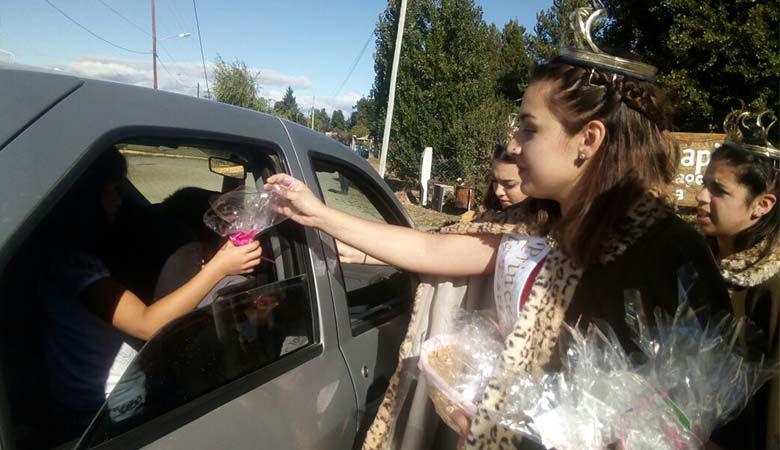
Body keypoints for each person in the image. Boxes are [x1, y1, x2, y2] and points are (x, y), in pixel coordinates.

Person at [264, 7, 732, 445]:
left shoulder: (669, 254)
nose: (514, 145)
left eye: (529, 128)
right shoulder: (551, 231)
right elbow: (431, 250)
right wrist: (318, 213)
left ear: (587, 140)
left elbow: (701, 427)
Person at [38, 148, 262, 439]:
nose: (118, 200)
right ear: (81, 199)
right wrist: (219, 268)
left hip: (98, 396)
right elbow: (147, 324)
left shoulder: (70, 258)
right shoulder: (76, 267)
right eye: (110, 191)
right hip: (105, 409)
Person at [695, 108, 779, 450]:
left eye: (719, 190)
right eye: (704, 184)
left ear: (761, 205)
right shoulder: (701, 265)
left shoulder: (771, 284)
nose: (701, 197)